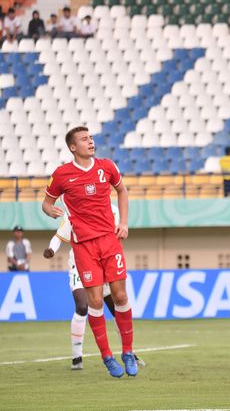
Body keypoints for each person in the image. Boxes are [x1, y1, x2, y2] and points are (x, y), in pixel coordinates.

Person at [42, 126, 137, 378]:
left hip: (109, 241)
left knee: (120, 296)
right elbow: (47, 201)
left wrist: (124, 223)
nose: (90, 141)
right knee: (94, 301)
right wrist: (48, 209)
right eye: (84, 139)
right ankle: (107, 356)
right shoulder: (62, 174)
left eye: (91, 138)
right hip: (83, 246)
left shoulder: (106, 166)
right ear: (73, 147)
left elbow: (122, 190)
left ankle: (128, 351)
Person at [43, 206, 145, 371]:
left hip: (104, 261)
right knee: (83, 306)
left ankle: (129, 353)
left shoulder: (112, 209)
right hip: (80, 263)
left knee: (116, 307)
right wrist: (51, 249)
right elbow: (59, 235)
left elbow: (116, 234)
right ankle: (77, 357)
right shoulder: (74, 209)